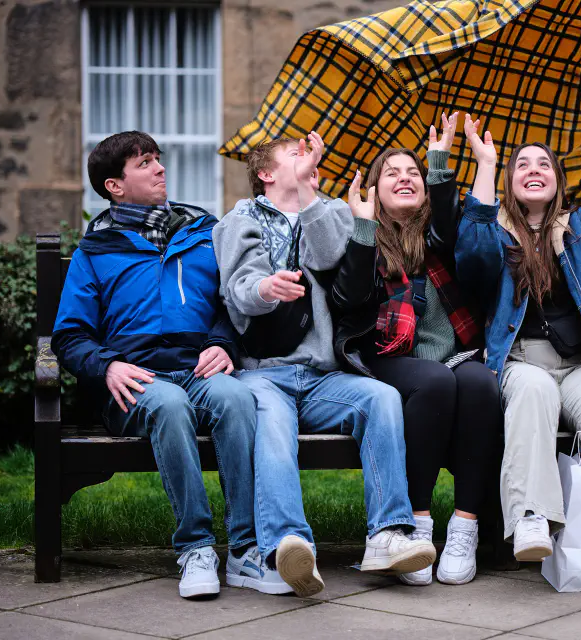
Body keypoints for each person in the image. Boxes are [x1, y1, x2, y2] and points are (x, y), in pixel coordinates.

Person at [213, 132, 435, 598]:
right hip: (264, 372)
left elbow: (329, 254)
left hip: (323, 376)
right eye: (293, 155)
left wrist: (308, 190)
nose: (306, 158)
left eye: (309, 154)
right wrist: (264, 290)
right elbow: (238, 286)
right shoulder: (241, 217)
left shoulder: (333, 210)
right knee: (272, 423)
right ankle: (288, 541)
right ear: (266, 174)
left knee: (381, 397)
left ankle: (386, 535)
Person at [52, 131, 264, 599]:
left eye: (157, 159)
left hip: (198, 370)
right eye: (144, 163)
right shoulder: (97, 250)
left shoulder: (201, 231)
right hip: (133, 380)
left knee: (236, 397)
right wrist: (107, 366)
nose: (159, 168)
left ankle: (246, 549)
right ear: (115, 186)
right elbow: (69, 336)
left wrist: (223, 343)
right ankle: (196, 548)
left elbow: (228, 305)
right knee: (168, 405)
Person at [456, 86, 581, 593]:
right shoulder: (494, 229)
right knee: (534, 392)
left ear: (559, 181)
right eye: (522, 165)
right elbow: (470, 258)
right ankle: (533, 519)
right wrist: (484, 163)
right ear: (510, 182)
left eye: (544, 164)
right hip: (521, 361)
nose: (534, 169)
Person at [331, 113, 502, 586]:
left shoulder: (441, 235)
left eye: (413, 173)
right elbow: (349, 300)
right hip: (386, 359)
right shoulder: (360, 233)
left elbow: (448, 220)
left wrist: (440, 162)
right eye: (392, 173)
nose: (405, 179)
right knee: (433, 382)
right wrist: (364, 232)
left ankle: (465, 526)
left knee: (481, 387)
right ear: (374, 189)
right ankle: (417, 523)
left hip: (456, 355)